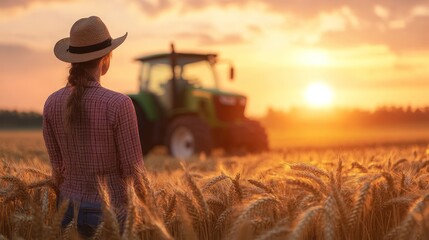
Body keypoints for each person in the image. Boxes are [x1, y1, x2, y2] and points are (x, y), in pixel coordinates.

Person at [43, 16, 144, 238]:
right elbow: (134, 172)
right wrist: (150, 210)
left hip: (66, 210)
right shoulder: (119, 104)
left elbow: (57, 169)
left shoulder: (51, 103)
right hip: (109, 214)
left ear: (72, 60)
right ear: (106, 59)